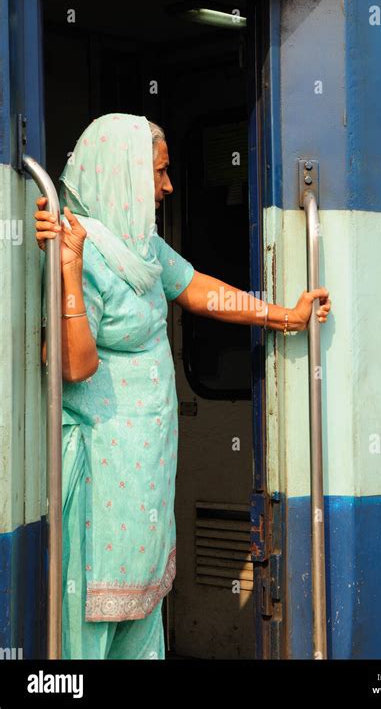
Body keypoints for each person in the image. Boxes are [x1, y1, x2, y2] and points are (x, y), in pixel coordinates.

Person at [34, 112, 331, 659]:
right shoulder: (81, 249)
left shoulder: (140, 248)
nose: (169, 186)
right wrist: (71, 275)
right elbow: (72, 366)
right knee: (92, 617)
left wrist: (285, 317)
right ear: (121, 173)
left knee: (143, 605)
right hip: (102, 472)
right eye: (160, 172)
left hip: (143, 473)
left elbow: (198, 291)